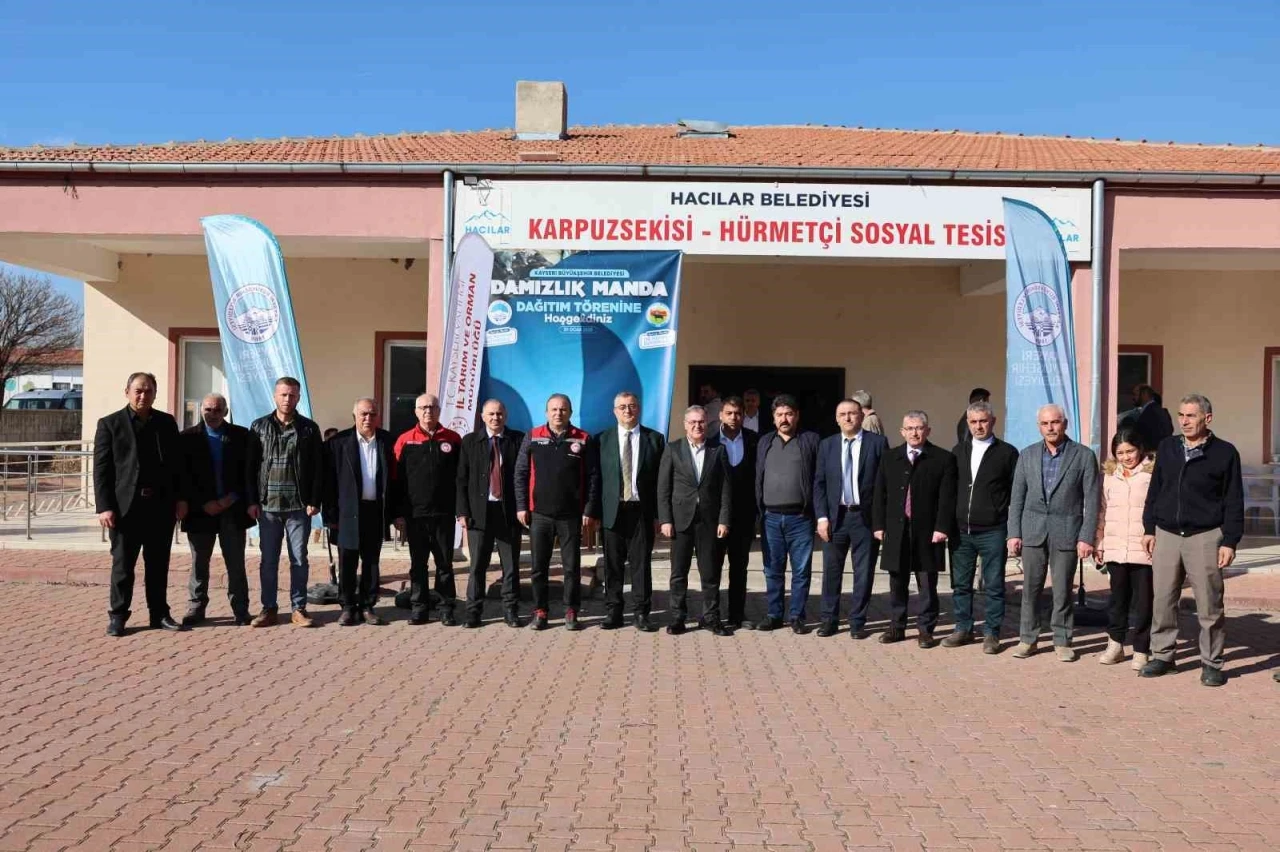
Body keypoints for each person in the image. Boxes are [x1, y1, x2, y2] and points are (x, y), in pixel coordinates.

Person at [1140, 394, 1243, 687]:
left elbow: (1234, 500)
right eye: (1181, 415)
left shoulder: (1225, 453)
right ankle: (1163, 656)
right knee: (1163, 600)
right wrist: (1149, 528)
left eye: (1191, 416)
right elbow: (1156, 489)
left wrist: (1230, 541)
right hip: (1167, 534)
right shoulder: (1167, 447)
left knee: (1209, 605)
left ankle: (1211, 663)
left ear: (1207, 418)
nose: (1184, 421)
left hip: (1205, 537)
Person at [94, 372, 186, 636]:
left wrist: (181, 499)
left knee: (158, 565)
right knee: (123, 566)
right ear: (127, 392)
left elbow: (177, 465)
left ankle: (159, 614)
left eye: (148, 391)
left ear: (155, 394)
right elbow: (101, 470)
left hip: (160, 506)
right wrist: (104, 506)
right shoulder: (110, 424)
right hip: (125, 509)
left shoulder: (166, 423)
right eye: (138, 391)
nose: (143, 395)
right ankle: (118, 615)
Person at [1007, 404, 1100, 661]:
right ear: (1039, 426)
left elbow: (1092, 500)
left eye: (1055, 422)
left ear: (1065, 424)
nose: (1050, 428)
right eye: (1045, 423)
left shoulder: (1083, 456)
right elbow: (1017, 498)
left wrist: (1086, 536)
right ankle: (1028, 639)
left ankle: (1062, 640)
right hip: (1033, 531)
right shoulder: (1027, 455)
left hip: (1067, 531)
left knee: (1062, 590)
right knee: (1030, 589)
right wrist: (1014, 533)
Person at [514, 393, 601, 630]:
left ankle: (571, 611)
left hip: (570, 515)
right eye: (553, 409)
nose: (558, 413)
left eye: (563, 409)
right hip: (539, 515)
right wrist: (521, 506)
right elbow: (521, 473)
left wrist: (589, 509)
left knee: (571, 567)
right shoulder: (533, 436)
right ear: (546, 412)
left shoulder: (583, 438)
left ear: (570, 412)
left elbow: (593, 477)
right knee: (538, 568)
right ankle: (540, 611)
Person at [872, 411, 956, 648]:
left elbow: (947, 498)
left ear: (927, 430)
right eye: (909, 428)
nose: (914, 433)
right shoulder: (890, 457)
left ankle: (925, 630)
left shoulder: (943, 458)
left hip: (928, 532)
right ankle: (897, 627)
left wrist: (941, 528)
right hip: (896, 529)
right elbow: (879, 494)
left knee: (927, 584)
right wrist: (878, 525)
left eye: (919, 428)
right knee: (897, 582)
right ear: (902, 432)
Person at [249, 376, 324, 628]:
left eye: (292, 395)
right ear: (275, 396)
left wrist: (314, 500)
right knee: (268, 561)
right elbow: (250, 467)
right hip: (268, 506)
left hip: (298, 506)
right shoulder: (259, 427)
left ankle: (298, 608)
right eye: (283, 394)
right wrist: (252, 500)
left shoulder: (309, 429)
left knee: (299, 559)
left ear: (298, 397)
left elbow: (317, 468)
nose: (287, 399)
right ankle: (269, 609)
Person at [178, 393, 257, 627]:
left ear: (225, 412)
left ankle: (241, 609)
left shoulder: (241, 436)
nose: (212, 414)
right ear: (201, 410)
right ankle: (196, 607)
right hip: (200, 511)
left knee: (236, 563)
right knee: (199, 563)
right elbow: (183, 476)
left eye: (217, 410)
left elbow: (248, 473)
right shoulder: (187, 438)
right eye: (208, 409)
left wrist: (229, 499)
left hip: (232, 509)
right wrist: (202, 503)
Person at [945, 401, 1018, 653]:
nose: (978, 426)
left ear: (993, 422)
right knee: (961, 584)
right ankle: (963, 628)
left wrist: (1010, 525)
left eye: (983, 421)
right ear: (967, 423)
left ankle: (991, 633)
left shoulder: (1007, 453)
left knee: (994, 585)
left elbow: (1015, 492)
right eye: (974, 422)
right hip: (961, 531)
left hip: (993, 530)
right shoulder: (958, 451)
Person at [813, 398, 888, 639]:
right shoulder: (827, 445)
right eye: (842, 414)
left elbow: (884, 484)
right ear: (836, 419)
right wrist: (822, 517)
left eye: (852, 413)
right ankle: (829, 620)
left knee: (863, 572)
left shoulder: (877, 443)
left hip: (864, 518)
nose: (847, 418)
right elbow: (819, 484)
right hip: (835, 518)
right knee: (831, 571)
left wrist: (880, 521)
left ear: (861, 416)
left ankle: (857, 622)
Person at [658, 405, 733, 635]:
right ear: (685, 425)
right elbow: (663, 488)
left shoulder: (718, 450)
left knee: (710, 573)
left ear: (707, 423)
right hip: (680, 520)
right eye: (692, 422)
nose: (697, 426)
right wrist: (665, 520)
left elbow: (726, 489)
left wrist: (724, 520)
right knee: (678, 573)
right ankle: (678, 618)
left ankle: (710, 617)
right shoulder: (673, 449)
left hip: (709, 522)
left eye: (701, 422)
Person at [595, 391, 665, 631]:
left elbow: (661, 481)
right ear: (614, 411)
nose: (628, 410)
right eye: (622, 407)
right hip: (612, 511)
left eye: (632, 406)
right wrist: (594, 512)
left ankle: (641, 613)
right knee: (612, 565)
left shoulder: (655, 439)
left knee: (641, 565)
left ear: (639, 409)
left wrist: (660, 515)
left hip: (641, 512)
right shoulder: (602, 440)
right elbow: (596, 479)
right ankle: (613, 612)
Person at [392, 394, 463, 626]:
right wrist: (398, 514)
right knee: (418, 565)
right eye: (423, 407)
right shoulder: (405, 440)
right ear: (415, 411)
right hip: (415, 516)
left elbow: (461, 478)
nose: (428, 411)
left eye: (432, 407)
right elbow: (396, 481)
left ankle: (445, 608)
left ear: (439, 410)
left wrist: (460, 510)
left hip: (444, 514)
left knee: (444, 565)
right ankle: (419, 608)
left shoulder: (453, 439)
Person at [755, 394, 821, 633]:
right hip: (770, 518)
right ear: (773, 418)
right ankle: (774, 615)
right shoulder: (765, 442)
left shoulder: (810, 440)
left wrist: (819, 514)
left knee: (801, 571)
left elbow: (819, 479)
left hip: (800, 518)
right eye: (780, 414)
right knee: (772, 569)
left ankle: (797, 616)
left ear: (797, 416)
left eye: (789, 414)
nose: (784, 419)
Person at [326, 398, 395, 626]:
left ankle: (367, 606)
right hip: (347, 512)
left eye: (373, 414)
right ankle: (347, 607)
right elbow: (328, 482)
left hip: (375, 511)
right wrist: (330, 516)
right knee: (347, 560)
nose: (368, 418)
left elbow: (395, 480)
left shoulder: (387, 441)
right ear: (354, 416)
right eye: (364, 414)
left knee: (371, 562)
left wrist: (395, 513)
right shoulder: (338, 443)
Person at [456, 399, 524, 628]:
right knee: (477, 566)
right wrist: (462, 511)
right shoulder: (470, 441)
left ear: (506, 415)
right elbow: (461, 479)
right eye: (491, 414)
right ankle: (473, 612)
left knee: (511, 566)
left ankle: (511, 611)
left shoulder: (517, 440)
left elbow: (524, 476)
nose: (496, 418)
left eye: (499, 414)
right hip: (478, 513)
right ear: (483, 416)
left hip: (508, 512)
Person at [1094, 428, 1155, 669]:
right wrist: (1100, 543)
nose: (1126, 457)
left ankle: (1141, 649)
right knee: (1117, 600)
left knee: (1144, 603)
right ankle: (1115, 644)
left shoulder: (1152, 474)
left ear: (1140, 449)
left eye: (1130, 451)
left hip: (1144, 549)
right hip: (1116, 547)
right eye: (1120, 453)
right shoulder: (1110, 476)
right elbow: (1102, 511)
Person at [707, 396, 759, 630]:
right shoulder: (709, 440)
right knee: (713, 566)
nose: (733, 417)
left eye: (738, 413)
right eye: (729, 413)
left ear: (743, 415)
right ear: (720, 415)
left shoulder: (754, 440)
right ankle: (712, 614)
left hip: (744, 516)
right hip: (715, 516)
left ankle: (737, 614)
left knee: (739, 567)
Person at [1128, 384, 1175, 452]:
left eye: (1135, 394)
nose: (1133, 398)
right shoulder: (1157, 410)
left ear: (1144, 394)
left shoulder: (1152, 412)